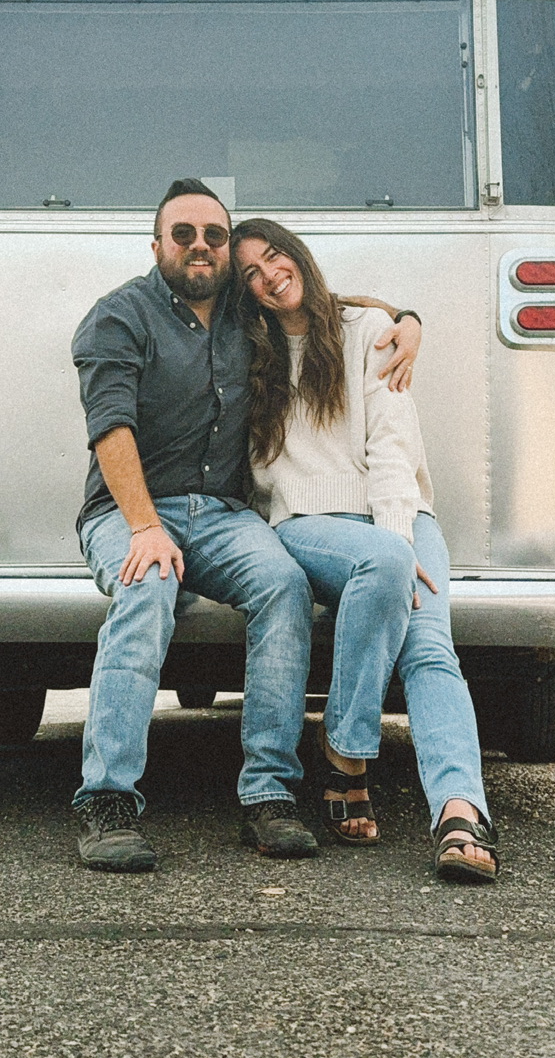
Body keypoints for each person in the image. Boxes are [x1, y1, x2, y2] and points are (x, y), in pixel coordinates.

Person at [69, 178, 422, 873]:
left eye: (214, 236)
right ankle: (106, 799)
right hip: (131, 511)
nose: (200, 247)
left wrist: (408, 319)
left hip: (227, 517)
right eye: (184, 234)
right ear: (157, 245)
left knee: (285, 588)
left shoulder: (240, 306)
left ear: (227, 249)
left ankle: (268, 793)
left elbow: (329, 305)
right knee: (147, 589)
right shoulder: (119, 317)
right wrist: (145, 528)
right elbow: (110, 429)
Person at [231, 217, 499, 884]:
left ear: (297, 255)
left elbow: (390, 446)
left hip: (402, 515)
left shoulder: (366, 336)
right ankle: (349, 753)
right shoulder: (247, 352)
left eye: (276, 257)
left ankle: (459, 812)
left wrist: (397, 537)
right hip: (306, 523)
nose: (270, 276)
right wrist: (388, 553)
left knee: (432, 648)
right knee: (384, 566)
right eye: (253, 274)